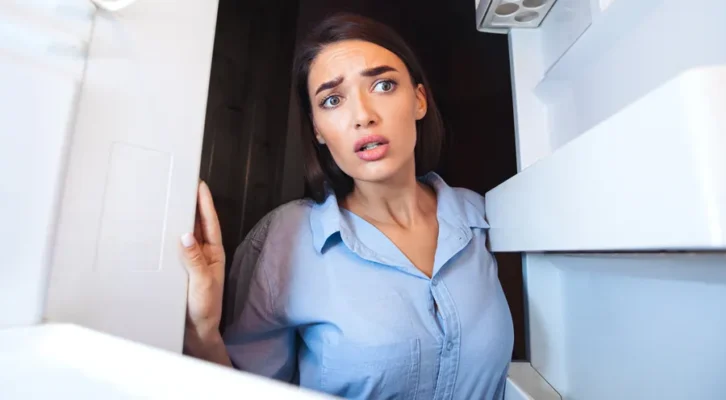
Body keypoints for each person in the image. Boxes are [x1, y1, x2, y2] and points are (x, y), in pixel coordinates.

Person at [179, 13, 513, 399]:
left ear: (419, 100)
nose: (363, 116)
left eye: (384, 85)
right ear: (318, 128)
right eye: (333, 99)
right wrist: (202, 332)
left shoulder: (482, 220)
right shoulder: (286, 239)